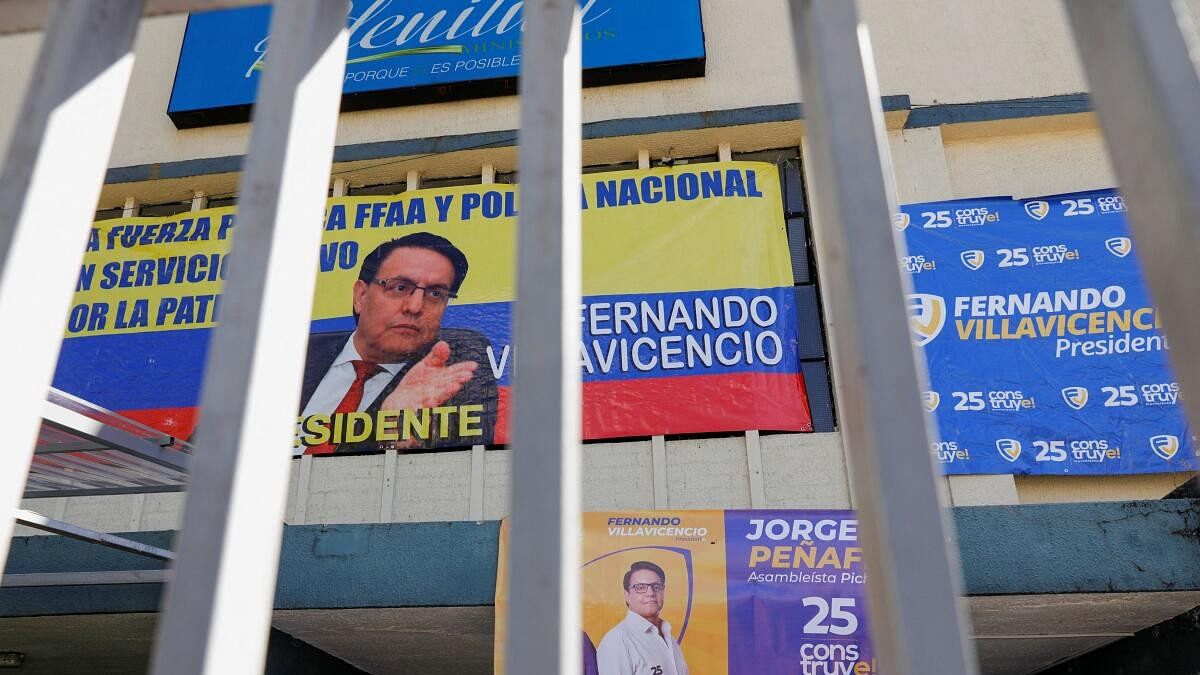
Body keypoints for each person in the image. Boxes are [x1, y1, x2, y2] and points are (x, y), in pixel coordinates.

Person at [297, 232, 497, 453]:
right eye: (400, 287)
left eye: (435, 294)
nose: (415, 306)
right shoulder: (300, 354)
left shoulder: (456, 366)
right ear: (361, 296)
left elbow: (462, 467)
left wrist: (395, 436)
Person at [597, 561, 690, 675]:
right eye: (640, 587)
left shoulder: (670, 639)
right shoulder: (617, 641)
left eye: (656, 586)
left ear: (663, 591)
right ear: (627, 595)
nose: (650, 593)